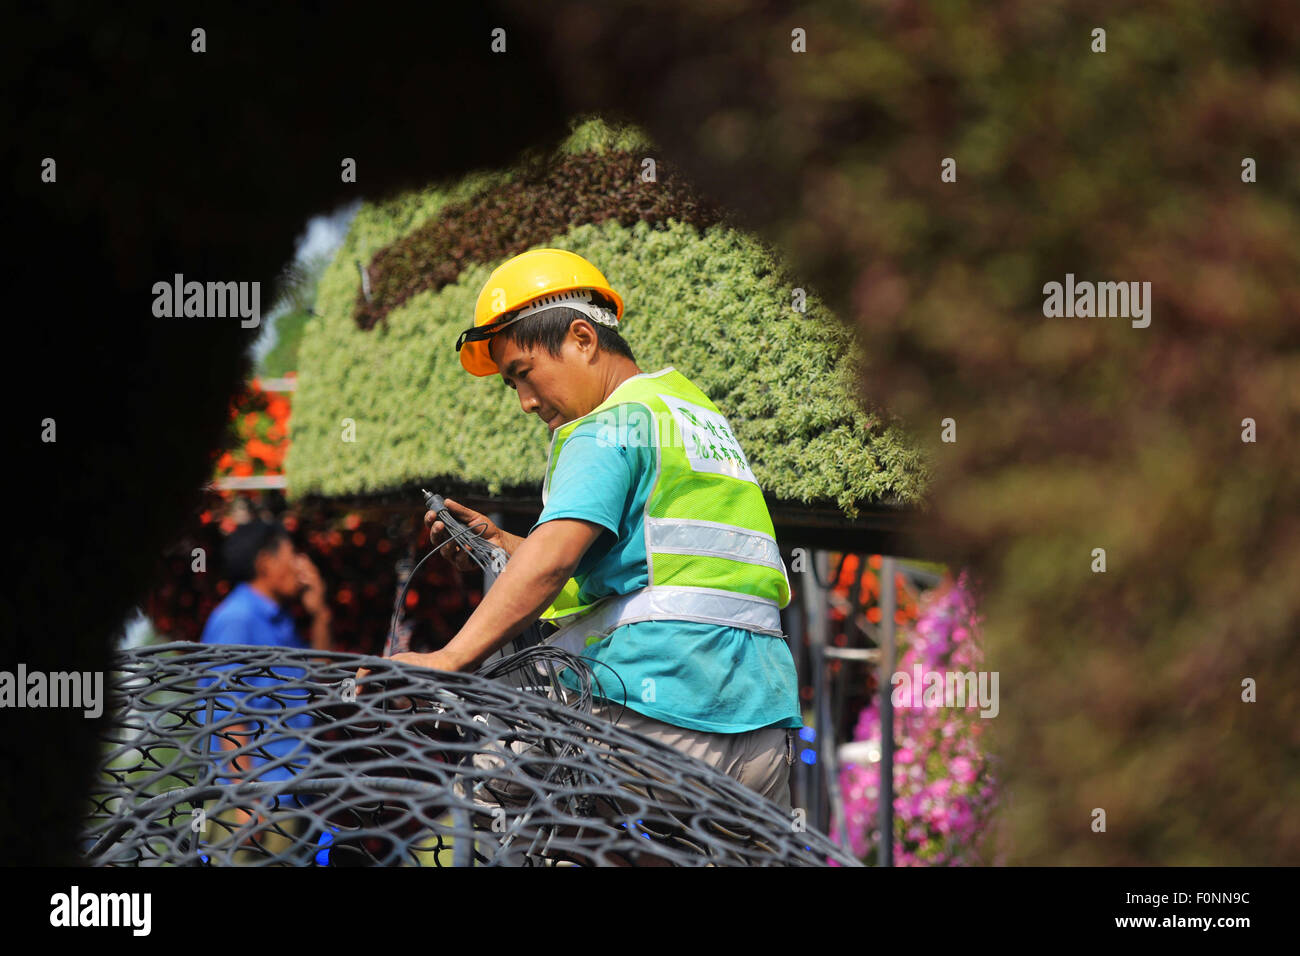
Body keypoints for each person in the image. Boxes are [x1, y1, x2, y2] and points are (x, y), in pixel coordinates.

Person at [358, 248, 800, 811]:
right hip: (760, 729)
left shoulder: (604, 428)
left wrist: (450, 658)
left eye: (523, 373)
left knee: (498, 780)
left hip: (655, 712)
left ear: (582, 339)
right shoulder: (689, 412)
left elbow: (553, 563)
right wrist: (504, 547)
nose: (524, 401)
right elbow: (656, 564)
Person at [198, 517, 332, 861]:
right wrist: (246, 802)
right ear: (265, 562)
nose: (300, 565)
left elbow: (319, 684)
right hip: (253, 802)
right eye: (292, 554)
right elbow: (226, 714)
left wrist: (319, 614)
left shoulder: (279, 619)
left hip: (289, 796)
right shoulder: (237, 618)